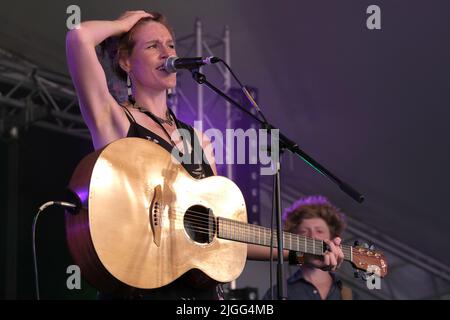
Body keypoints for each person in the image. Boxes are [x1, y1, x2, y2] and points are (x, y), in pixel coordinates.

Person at [65, 10, 344, 300]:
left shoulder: (197, 139)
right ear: (126, 61)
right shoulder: (117, 120)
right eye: (152, 46)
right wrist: (122, 26)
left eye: (170, 45)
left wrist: (302, 254)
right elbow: (79, 37)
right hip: (141, 291)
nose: (166, 53)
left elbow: (227, 233)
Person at [262, 195, 353, 300]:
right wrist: (301, 256)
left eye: (319, 231)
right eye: (304, 231)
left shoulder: (348, 294)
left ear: (333, 238)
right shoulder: (277, 293)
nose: (313, 237)